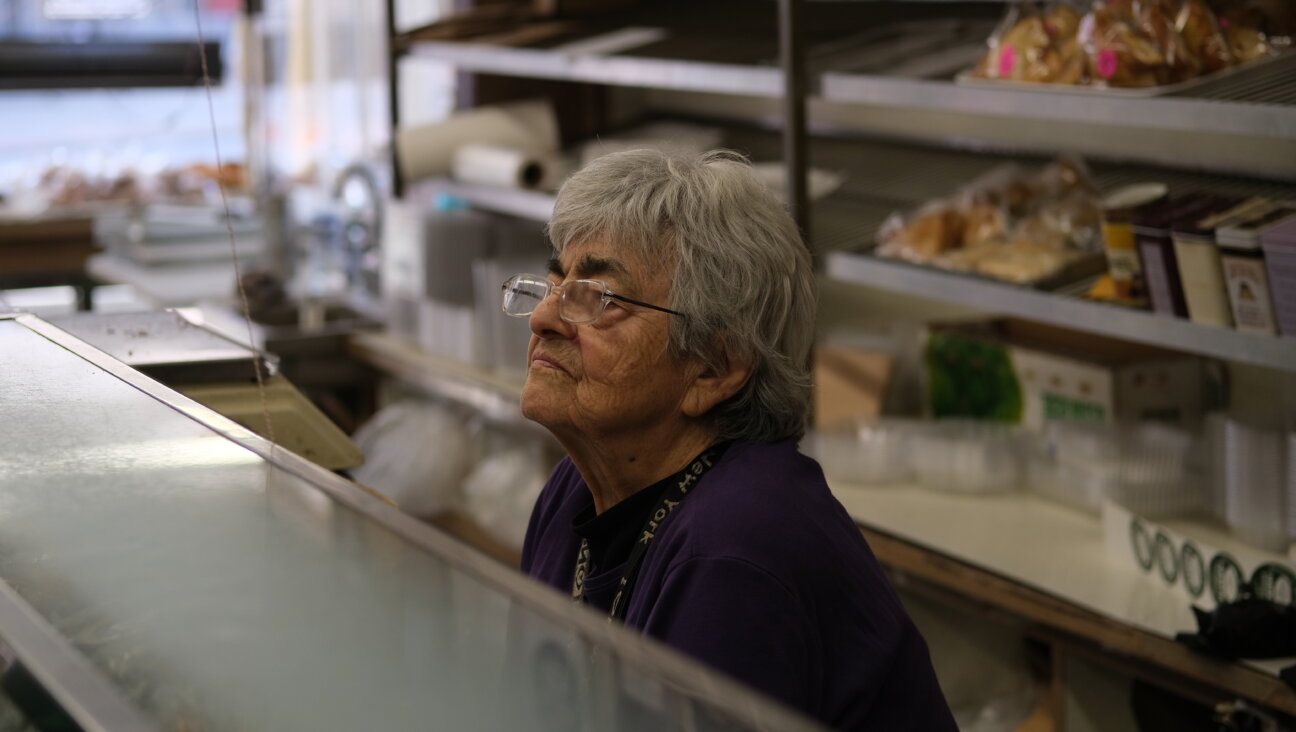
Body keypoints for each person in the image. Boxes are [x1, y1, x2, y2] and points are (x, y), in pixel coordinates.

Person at [510, 148, 956, 730]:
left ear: (713, 370)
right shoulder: (577, 485)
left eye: (597, 298)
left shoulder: (737, 547)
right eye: (554, 282)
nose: (543, 317)